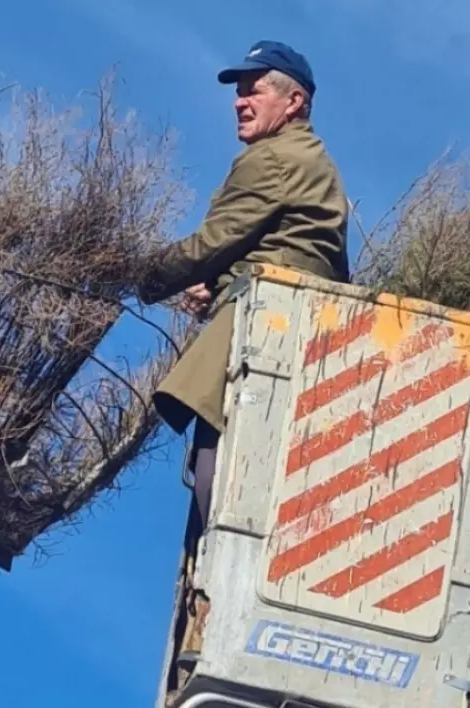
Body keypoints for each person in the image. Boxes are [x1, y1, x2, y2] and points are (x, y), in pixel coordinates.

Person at [138, 40, 350, 529]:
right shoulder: (310, 157)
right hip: (297, 324)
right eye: (238, 93)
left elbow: (214, 241)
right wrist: (218, 282)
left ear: (293, 101)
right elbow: (293, 244)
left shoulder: (272, 158)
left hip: (264, 324)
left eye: (253, 90)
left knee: (221, 479)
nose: (239, 101)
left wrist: (136, 275)